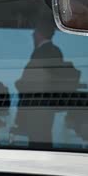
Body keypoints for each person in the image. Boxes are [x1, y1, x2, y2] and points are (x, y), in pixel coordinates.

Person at [15, 17, 79, 147]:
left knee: (39, 139)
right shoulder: (51, 51)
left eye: (35, 32)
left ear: (39, 34)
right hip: (41, 106)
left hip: (39, 106)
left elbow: (40, 79)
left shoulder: (45, 52)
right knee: (40, 138)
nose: (32, 35)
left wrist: (22, 83)